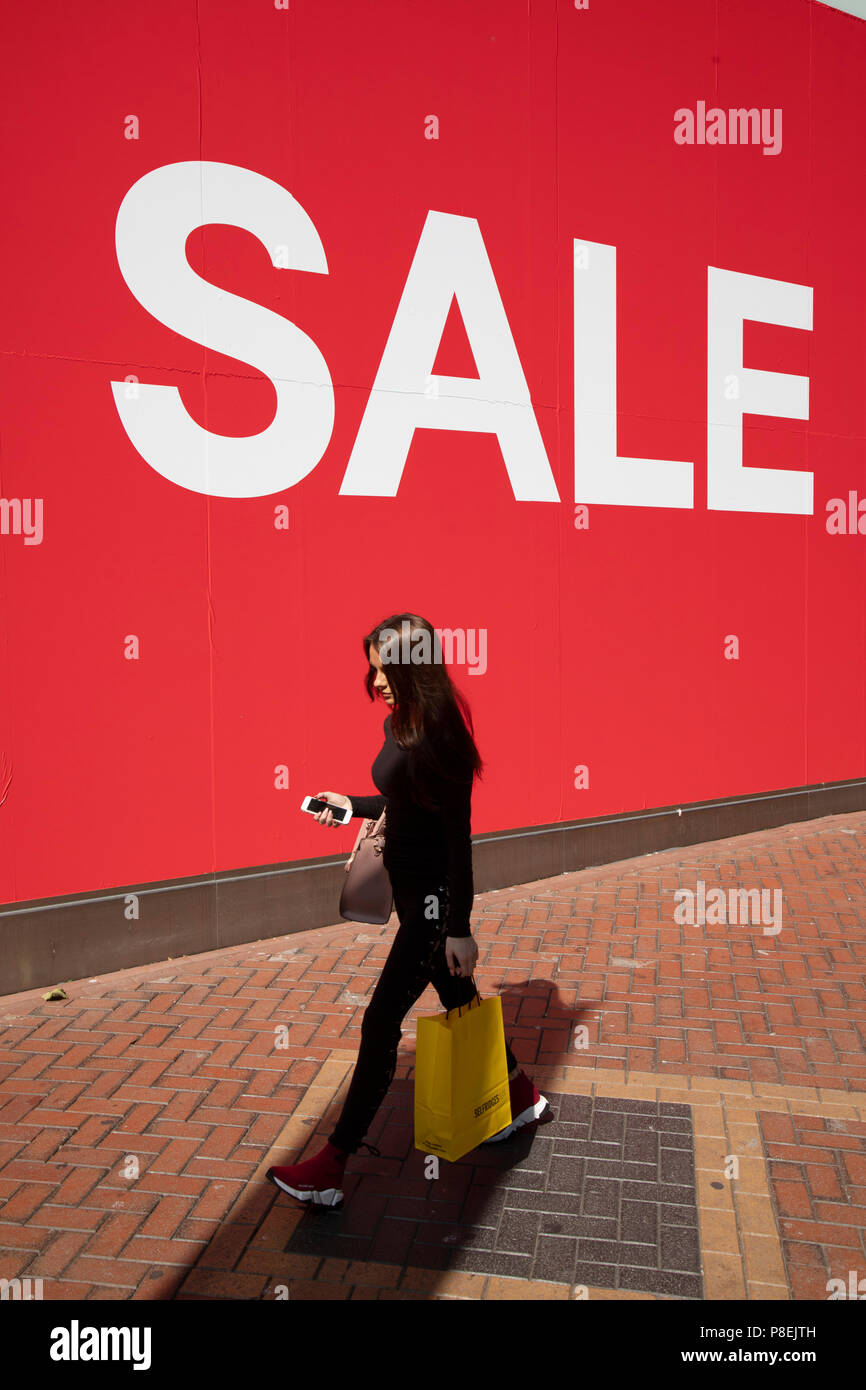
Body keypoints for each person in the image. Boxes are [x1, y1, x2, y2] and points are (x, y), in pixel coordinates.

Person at [267, 613, 549, 1207]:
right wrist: (349, 805)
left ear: (412, 665)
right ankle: (520, 1095)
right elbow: (398, 800)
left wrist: (459, 929)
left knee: (379, 1024)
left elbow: (457, 840)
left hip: (431, 907)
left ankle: (332, 1166)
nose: (376, 679)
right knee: (460, 1002)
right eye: (371, 667)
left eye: (384, 667)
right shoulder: (401, 723)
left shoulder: (440, 736)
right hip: (410, 894)